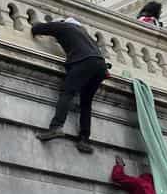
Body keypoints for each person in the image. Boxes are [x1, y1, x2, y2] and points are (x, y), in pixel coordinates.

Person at [31, 17, 109, 153]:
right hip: (100, 67)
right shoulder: (87, 35)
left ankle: (56, 127)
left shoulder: (64, 27)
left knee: (67, 93)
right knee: (86, 103)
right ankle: (84, 140)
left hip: (83, 63)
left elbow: (38, 28)